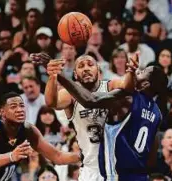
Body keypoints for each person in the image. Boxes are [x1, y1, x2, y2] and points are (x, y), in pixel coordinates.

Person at [43, 59, 168, 181]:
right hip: (139, 176)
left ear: (145, 84)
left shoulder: (127, 98)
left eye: (140, 73)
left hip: (116, 174)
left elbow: (90, 101)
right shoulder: (157, 114)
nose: (136, 73)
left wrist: (61, 77)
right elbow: (151, 160)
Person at [30, 52, 136, 181]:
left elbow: (127, 87)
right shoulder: (70, 94)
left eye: (90, 65)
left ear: (98, 71)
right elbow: (52, 102)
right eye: (81, 66)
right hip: (91, 168)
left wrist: (131, 72)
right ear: (75, 74)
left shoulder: (110, 86)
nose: (86, 68)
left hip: (119, 165)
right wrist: (53, 75)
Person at [0, 92, 81, 181]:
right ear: (2, 112)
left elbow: (57, 156)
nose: (19, 110)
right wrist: (12, 156)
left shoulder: (29, 130)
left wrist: (84, 156)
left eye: (22, 106)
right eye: (13, 106)